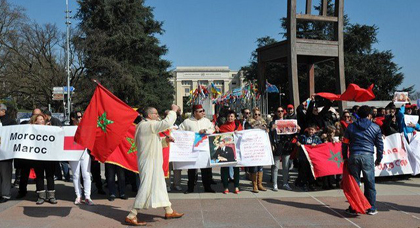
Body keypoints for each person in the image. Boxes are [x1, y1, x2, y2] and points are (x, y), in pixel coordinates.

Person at [125, 105, 184, 226]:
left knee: (160, 185)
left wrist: (165, 141)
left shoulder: (147, 125)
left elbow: (153, 143)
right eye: (156, 114)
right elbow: (166, 123)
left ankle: (169, 210)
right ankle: (132, 214)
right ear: (150, 115)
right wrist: (173, 111)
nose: (158, 116)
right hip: (148, 161)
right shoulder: (147, 125)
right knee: (146, 187)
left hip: (153, 160)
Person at [342, 105, 383, 215]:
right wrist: (379, 158)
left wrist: (344, 156)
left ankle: (354, 207)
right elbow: (380, 145)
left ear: (358, 114)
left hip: (354, 155)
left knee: (354, 184)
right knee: (370, 183)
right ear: (369, 115)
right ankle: (371, 207)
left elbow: (345, 143)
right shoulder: (376, 127)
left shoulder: (350, 127)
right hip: (368, 156)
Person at [178, 104, 215, 193]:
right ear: (195, 112)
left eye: (203, 111)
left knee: (206, 169)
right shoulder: (187, 121)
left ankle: (207, 187)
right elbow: (180, 131)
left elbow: (212, 129)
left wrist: (205, 131)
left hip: (204, 149)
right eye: (200, 111)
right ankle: (190, 188)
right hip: (192, 149)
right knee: (191, 169)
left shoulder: (206, 121)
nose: (203, 113)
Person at [30, 114, 57, 204]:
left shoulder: (50, 129)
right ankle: (41, 196)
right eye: (39, 119)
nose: (41, 121)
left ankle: (51, 196)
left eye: (42, 119)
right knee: (39, 177)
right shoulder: (32, 130)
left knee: (50, 176)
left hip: (49, 157)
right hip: (38, 157)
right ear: (35, 121)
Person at [68, 111, 94, 205]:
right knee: (75, 175)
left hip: (84, 153)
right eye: (78, 117)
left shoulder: (86, 128)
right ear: (72, 118)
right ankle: (78, 196)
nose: (80, 118)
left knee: (86, 175)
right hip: (72, 154)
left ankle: (87, 196)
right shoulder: (68, 128)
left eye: (81, 117)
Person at [216, 110, 243, 194]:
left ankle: (236, 186)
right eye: (228, 116)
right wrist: (217, 131)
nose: (230, 118)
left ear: (235, 117)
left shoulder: (238, 126)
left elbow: (243, 135)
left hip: (235, 150)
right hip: (225, 151)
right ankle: (225, 187)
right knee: (224, 168)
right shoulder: (223, 127)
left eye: (231, 116)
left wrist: (238, 133)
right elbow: (218, 137)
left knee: (236, 169)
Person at [246, 107, 268, 193]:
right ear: (252, 115)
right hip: (253, 147)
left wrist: (267, 130)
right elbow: (247, 133)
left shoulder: (263, 122)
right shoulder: (249, 122)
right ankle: (254, 185)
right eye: (255, 114)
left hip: (260, 146)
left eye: (259, 114)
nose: (257, 116)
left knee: (260, 167)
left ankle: (260, 184)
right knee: (254, 167)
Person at [0, 104, 17, 203]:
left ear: (3, 111)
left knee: (5, 174)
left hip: (5, 152)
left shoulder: (10, 122)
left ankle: (5, 194)